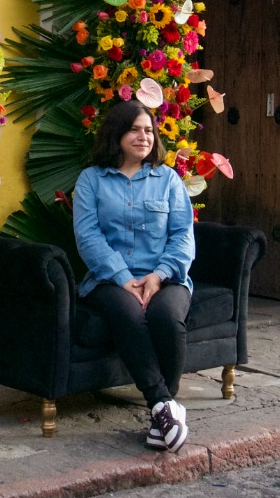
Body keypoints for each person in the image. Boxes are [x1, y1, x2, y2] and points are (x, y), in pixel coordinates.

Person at [72, 99, 196, 452]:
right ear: (117, 134)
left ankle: (163, 416)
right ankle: (163, 405)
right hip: (109, 280)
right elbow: (88, 235)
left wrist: (157, 276)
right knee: (128, 313)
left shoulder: (168, 179)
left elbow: (182, 236)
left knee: (168, 318)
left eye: (149, 131)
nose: (144, 137)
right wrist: (123, 276)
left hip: (166, 276)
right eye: (135, 129)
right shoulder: (92, 180)